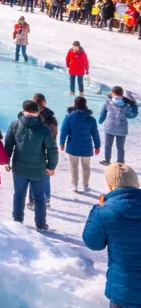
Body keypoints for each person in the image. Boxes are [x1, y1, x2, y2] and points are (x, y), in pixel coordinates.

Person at [82, 164, 141, 308]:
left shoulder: (104, 211)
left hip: (123, 291)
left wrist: (97, 210)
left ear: (109, 185)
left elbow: (93, 243)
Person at [5, 100, 58, 231]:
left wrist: (6, 161)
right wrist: (51, 167)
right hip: (38, 170)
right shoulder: (44, 129)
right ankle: (40, 224)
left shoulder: (15, 125)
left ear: (23, 111)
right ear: (38, 112)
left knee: (19, 194)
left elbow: (8, 145)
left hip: (19, 168)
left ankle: (17, 220)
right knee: (39, 198)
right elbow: (52, 149)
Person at [60, 96, 101, 193]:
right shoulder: (91, 119)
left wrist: (62, 142)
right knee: (86, 166)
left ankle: (75, 185)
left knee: (74, 165)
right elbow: (95, 133)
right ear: (85, 105)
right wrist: (97, 146)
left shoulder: (69, 117)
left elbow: (64, 130)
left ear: (74, 104)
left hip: (73, 145)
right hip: (86, 146)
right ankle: (85, 186)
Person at [99, 86, 138, 166]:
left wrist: (100, 120)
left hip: (109, 127)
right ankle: (120, 162)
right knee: (120, 147)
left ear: (113, 93)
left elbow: (103, 113)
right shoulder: (126, 106)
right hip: (121, 129)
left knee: (107, 145)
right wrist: (133, 105)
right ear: (122, 94)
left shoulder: (107, 102)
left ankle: (107, 161)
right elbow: (132, 115)